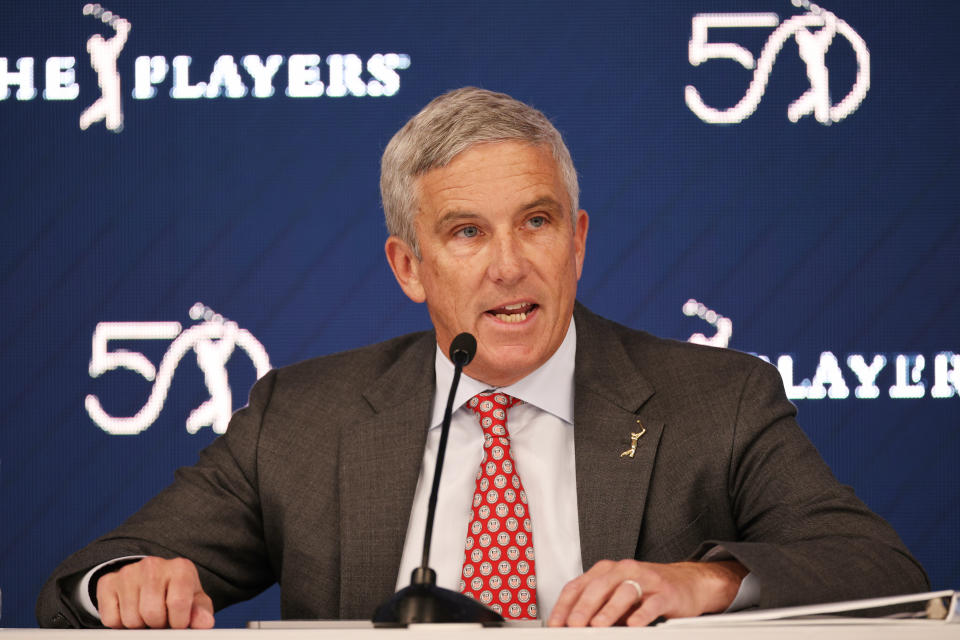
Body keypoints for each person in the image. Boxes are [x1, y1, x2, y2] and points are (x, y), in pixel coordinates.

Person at [37, 87, 928, 629]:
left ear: (576, 242)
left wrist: (707, 582)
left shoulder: (718, 398)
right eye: (466, 232)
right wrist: (131, 585)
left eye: (536, 222)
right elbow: (80, 584)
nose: (510, 265)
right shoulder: (301, 420)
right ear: (408, 268)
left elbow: (886, 577)